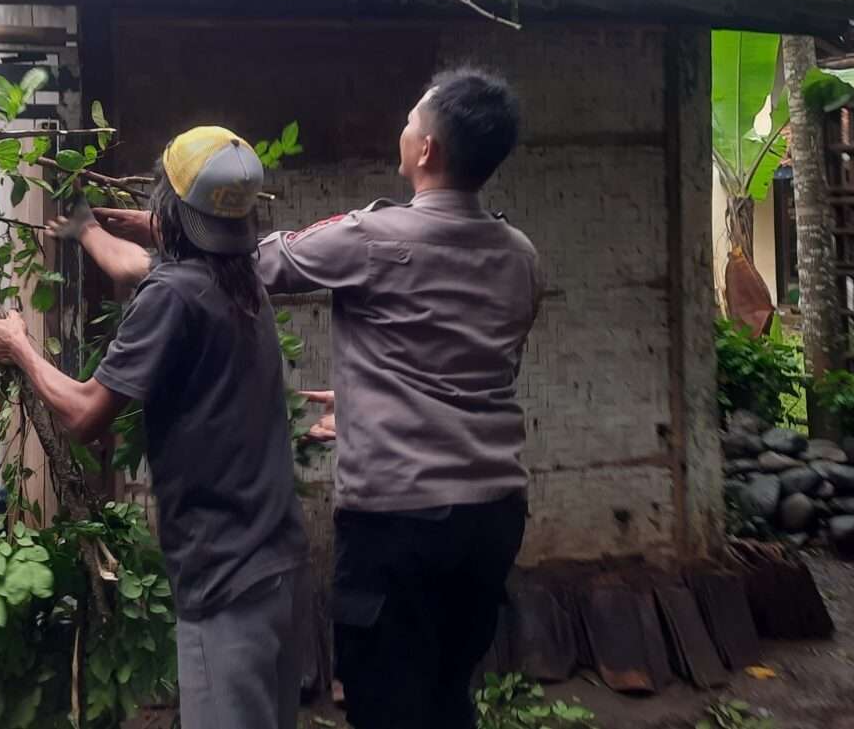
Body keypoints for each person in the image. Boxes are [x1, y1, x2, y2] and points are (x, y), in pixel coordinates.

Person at [59, 70, 542, 729]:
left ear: (425, 150)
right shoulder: (520, 255)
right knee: (447, 691)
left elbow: (236, 265)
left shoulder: (372, 236)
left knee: (387, 704)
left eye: (409, 121)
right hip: (494, 516)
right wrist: (372, 404)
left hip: (399, 521)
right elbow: (477, 369)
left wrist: (162, 223)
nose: (402, 130)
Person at [0, 127, 306, 729]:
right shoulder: (243, 276)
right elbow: (143, 267)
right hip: (278, 566)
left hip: (223, 580)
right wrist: (89, 228)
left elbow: (81, 414)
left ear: (172, 211)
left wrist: (20, 346)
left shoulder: (174, 295)